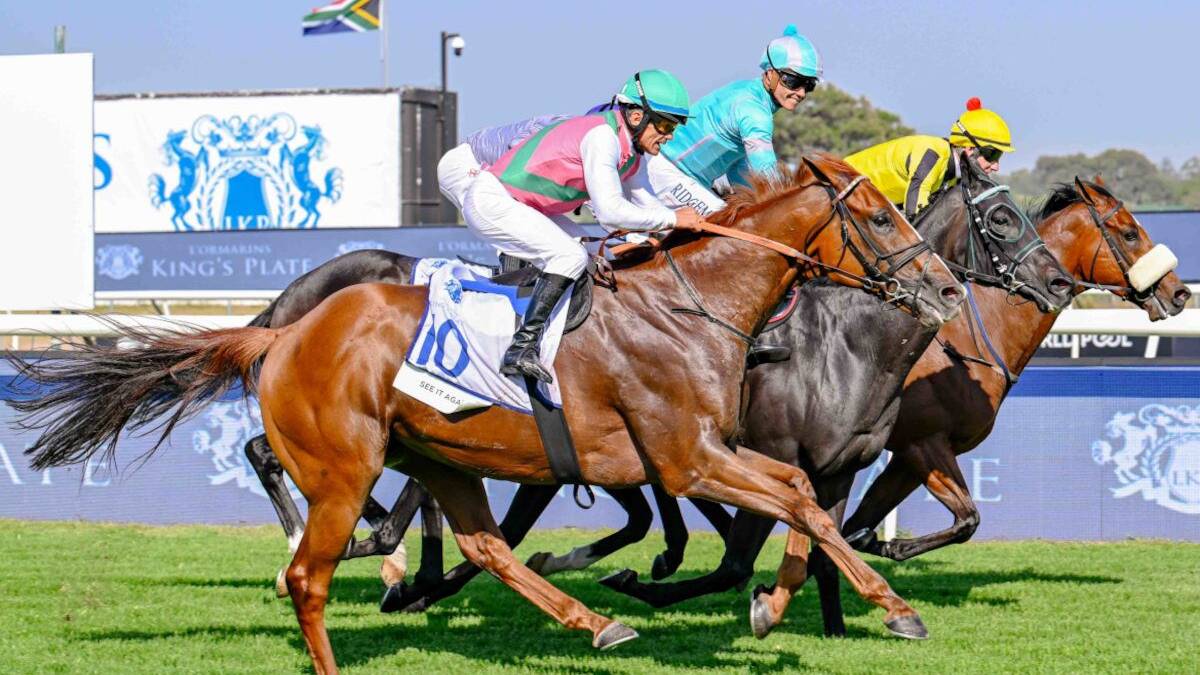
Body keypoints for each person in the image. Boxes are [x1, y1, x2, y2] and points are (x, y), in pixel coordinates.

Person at [462, 70, 702, 383]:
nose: (670, 136)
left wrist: (697, 225)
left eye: (675, 127)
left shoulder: (633, 155)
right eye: (666, 125)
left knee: (604, 253)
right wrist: (673, 219)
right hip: (493, 201)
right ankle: (521, 348)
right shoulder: (602, 138)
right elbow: (611, 213)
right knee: (570, 257)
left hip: (526, 205)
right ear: (637, 116)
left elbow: (650, 207)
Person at [646, 24, 823, 215]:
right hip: (671, 175)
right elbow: (768, 180)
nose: (801, 92)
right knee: (733, 227)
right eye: (794, 81)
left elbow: (738, 167)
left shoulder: (749, 93)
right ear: (770, 73)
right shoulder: (754, 112)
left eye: (809, 85)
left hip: (682, 177)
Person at [844, 98, 1013, 221]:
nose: (996, 167)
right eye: (993, 155)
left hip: (858, 206)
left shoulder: (954, 174)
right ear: (969, 149)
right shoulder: (932, 154)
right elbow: (916, 218)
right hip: (839, 185)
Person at [438, 114, 571, 212]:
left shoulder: (570, 130)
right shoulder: (559, 126)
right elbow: (517, 147)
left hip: (493, 167)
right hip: (470, 160)